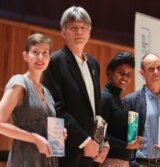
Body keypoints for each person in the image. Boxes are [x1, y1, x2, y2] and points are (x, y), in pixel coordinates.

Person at [43, 6, 109, 167]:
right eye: (73, 28)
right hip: (67, 151)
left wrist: (103, 141)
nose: (79, 32)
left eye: (83, 28)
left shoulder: (94, 64)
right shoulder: (54, 62)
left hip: (93, 152)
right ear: (64, 33)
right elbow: (56, 109)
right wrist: (85, 141)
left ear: (89, 32)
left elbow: (96, 108)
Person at [0, 33, 61, 167]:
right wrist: (34, 138)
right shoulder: (19, 82)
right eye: (35, 52)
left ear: (49, 58)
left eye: (45, 53)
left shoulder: (47, 92)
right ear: (26, 56)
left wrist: (59, 134)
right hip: (25, 159)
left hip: (48, 159)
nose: (40, 57)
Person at [100, 52, 143, 167]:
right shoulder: (105, 98)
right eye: (121, 73)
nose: (125, 78)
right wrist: (126, 145)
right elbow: (100, 133)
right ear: (110, 73)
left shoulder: (118, 99)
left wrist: (133, 140)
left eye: (129, 74)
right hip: (108, 160)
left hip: (122, 162)